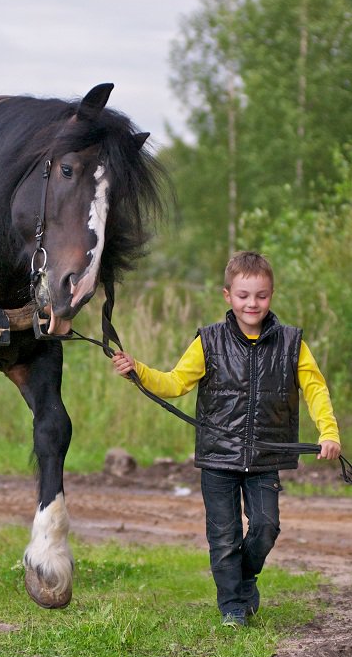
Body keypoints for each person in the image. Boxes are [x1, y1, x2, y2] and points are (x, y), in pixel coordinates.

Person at [112, 251, 340, 628]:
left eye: (261, 296)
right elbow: (174, 382)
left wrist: (328, 432)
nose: (253, 303)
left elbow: (315, 389)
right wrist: (138, 371)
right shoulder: (209, 341)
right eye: (244, 295)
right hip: (219, 457)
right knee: (223, 537)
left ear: (272, 294)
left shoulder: (290, 343)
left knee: (266, 526)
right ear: (227, 295)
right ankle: (233, 607)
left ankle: (244, 576)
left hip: (265, 456)